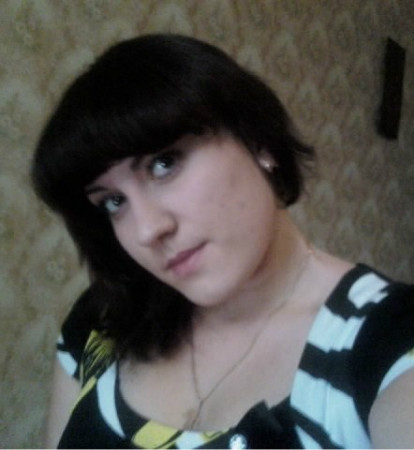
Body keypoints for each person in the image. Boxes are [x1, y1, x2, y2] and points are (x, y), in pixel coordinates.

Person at [32, 34, 413, 449]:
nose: (146, 230)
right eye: (113, 201)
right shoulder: (103, 321)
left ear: (257, 139)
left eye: (164, 163)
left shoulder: (387, 341)